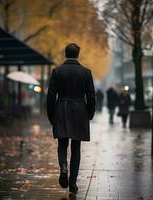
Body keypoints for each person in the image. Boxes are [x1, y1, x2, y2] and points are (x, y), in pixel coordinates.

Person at [47, 43, 95, 195]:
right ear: (78, 54)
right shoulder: (86, 73)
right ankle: (72, 182)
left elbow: (50, 96)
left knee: (62, 144)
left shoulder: (57, 71)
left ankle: (63, 167)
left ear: (65, 54)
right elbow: (91, 96)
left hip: (61, 109)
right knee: (76, 148)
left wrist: (51, 115)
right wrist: (90, 113)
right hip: (80, 111)